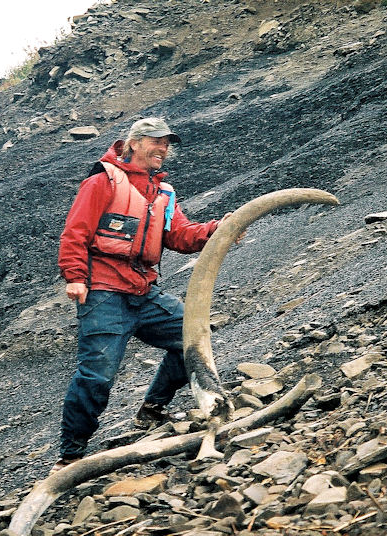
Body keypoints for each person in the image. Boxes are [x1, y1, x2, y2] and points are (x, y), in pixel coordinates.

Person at [54, 117, 223, 473]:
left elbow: (181, 236)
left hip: (144, 292)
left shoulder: (164, 193)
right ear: (134, 143)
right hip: (102, 292)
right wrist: (75, 277)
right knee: (97, 375)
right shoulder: (102, 181)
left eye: (167, 143)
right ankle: (70, 456)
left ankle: (152, 409)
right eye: (155, 142)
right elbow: (75, 232)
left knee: (191, 337)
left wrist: (217, 230)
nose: (163, 148)